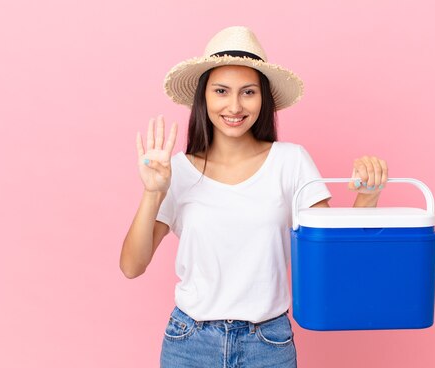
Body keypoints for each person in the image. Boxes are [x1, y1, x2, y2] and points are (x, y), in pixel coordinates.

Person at [120, 26, 388, 368]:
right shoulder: (176, 172)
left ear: (263, 100)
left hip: (268, 344)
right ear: (204, 97)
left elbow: (334, 264)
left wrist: (367, 198)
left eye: (248, 92)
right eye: (221, 91)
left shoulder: (290, 162)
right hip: (189, 343)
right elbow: (132, 266)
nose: (234, 106)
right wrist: (152, 193)